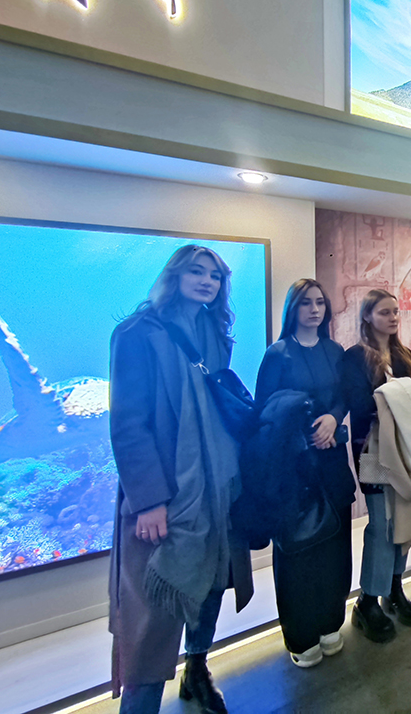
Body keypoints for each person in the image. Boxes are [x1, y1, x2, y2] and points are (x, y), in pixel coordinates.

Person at [108, 245, 253, 714]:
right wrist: (149, 501)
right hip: (168, 496)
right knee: (152, 615)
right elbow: (128, 424)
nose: (207, 281)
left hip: (218, 487)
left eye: (215, 275)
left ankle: (197, 668)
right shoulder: (135, 333)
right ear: (175, 275)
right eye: (197, 271)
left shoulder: (213, 330)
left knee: (212, 582)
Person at [254, 279, 356, 668]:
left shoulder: (335, 350)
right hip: (294, 469)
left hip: (332, 462)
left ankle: (331, 623)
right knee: (298, 551)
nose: (314, 310)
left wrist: (333, 419)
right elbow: (265, 413)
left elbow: (343, 397)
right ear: (292, 309)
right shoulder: (277, 354)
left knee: (335, 545)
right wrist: (304, 435)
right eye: (306, 303)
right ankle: (300, 635)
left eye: (320, 303)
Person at [340, 289, 411, 643]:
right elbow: (360, 405)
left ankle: (394, 588)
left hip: (406, 450)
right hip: (373, 451)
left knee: (404, 520)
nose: (392, 318)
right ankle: (367, 601)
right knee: (381, 525)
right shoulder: (354, 358)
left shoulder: (405, 355)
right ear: (367, 316)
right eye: (384, 312)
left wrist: (401, 400)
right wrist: (401, 400)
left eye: (395, 312)